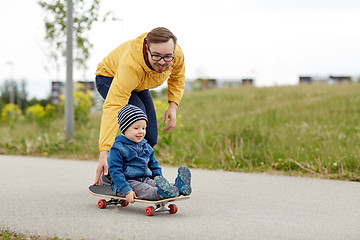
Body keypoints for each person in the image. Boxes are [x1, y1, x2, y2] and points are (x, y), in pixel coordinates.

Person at [94, 27, 185, 185]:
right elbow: (113, 107)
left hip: (139, 84)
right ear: (147, 48)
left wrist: (173, 105)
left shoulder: (176, 54)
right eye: (156, 56)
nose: (162, 62)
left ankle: (139, 173)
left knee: (149, 136)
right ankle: (112, 172)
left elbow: (178, 77)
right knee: (137, 123)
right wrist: (104, 150)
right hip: (109, 78)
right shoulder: (130, 65)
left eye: (167, 57)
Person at [108, 104, 191, 203]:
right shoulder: (118, 148)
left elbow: (154, 166)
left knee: (154, 184)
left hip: (145, 178)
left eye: (143, 128)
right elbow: (115, 171)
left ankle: (178, 187)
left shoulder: (146, 146)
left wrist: (160, 179)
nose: (141, 132)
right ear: (125, 129)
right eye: (136, 128)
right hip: (127, 182)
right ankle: (160, 193)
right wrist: (126, 190)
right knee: (145, 190)